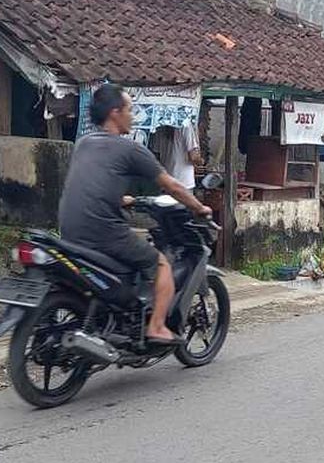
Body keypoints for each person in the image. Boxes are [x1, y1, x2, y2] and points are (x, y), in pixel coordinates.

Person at [59, 84, 212, 345]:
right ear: (115, 113)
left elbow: (93, 184)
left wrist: (123, 199)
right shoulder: (130, 149)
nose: (133, 115)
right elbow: (172, 186)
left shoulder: (84, 143)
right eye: (130, 110)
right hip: (104, 232)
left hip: (69, 230)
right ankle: (157, 327)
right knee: (161, 264)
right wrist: (200, 208)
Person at [165, 121, 203, 189]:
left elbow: (156, 154)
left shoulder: (162, 127)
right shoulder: (186, 125)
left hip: (166, 181)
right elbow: (193, 157)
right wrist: (201, 162)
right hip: (183, 182)